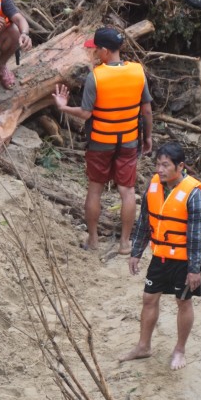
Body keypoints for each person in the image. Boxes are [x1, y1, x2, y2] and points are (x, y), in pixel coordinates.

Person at [52, 26, 153, 254]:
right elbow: (146, 110)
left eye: (96, 49)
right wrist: (147, 137)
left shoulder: (95, 77)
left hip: (100, 142)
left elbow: (86, 113)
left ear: (106, 51)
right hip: (128, 141)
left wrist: (63, 106)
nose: (95, 53)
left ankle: (94, 240)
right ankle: (125, 244)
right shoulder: (138, 72)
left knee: (95, 189)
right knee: (127, 191)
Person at [120, 142, 201, 370]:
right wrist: (136, 252)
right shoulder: (153, 186)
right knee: (149, 298)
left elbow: (195, 234)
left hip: (183, 260)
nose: (160, 169)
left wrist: (194, 268)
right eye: (158, 164)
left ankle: (180, 350)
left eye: (165, 165)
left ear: (180, 166)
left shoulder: (194, 192)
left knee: (183, 301)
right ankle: (143, 346)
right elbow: (144, 222)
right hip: (159, 256)